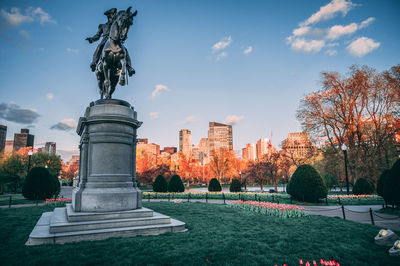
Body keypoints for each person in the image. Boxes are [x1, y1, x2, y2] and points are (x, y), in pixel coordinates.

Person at [86, 8, 135, 76]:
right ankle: (94, 62)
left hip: (116, 41)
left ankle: (129, 67)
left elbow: (122, 28)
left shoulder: (117, 23)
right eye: (112, 14)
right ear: (109, 16)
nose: (114, 15)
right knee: (99, 47)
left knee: (125, 50)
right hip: (105, 41)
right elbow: (97, 36)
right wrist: (92, 39)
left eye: (114, 14)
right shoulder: (103, 26)